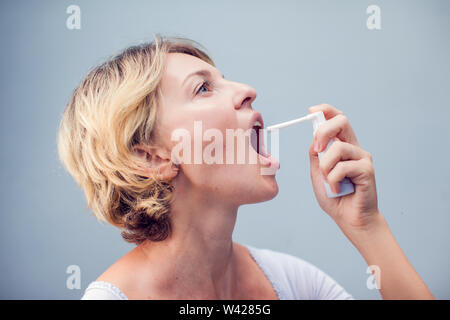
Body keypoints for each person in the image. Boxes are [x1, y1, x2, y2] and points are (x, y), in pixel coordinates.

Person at [57, 35, 434, 300]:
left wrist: (367, 227)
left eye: (222, 79)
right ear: (152, 157)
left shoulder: (293, 283)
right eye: (203, 88)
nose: (248, 89)